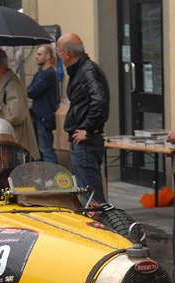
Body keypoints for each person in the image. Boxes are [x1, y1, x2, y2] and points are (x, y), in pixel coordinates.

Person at [57, 33, 109, 203]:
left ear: (67, 53)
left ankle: (99, 227)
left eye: (58, 51)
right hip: (84, 140)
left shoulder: (86, 70)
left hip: (85, 142)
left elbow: (99, 100)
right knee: (88, 194)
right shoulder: (83, 69)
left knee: (91, 197)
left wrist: (87, 129)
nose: (58, 55)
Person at [0, 48, 38, 161]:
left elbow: (15, 115)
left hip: (15, 150)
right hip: (6, 149)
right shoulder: (2, 85)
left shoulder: (12, 85)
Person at [27, 43, 60, 164]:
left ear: (47, 56)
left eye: (39, 54)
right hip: (37, 116)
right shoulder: (39, 73)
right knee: (39, 152)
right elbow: (29, 90)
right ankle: (45, 178)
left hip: (45, 117)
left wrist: (32, 90)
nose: (36, 56)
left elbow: (32, 90)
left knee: (46, 150)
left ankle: (55, 178)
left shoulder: (50, 74)